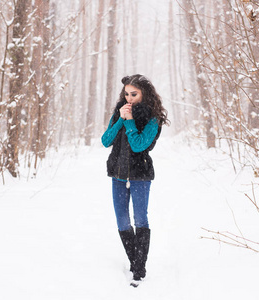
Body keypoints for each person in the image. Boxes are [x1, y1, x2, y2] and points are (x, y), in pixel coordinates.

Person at [101, 74, 170, 284]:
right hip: (118, 175)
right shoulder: (120, 112)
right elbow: (106, 141)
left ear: (144, 94)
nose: (129, 98)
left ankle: (139, 270)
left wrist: (130, 122)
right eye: (126, 94)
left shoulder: (152, 118)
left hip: (140, 175)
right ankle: (135, 261)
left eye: (134, 94)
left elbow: (140, 145)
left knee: (140, 219)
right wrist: (120, 120)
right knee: (122, 220)